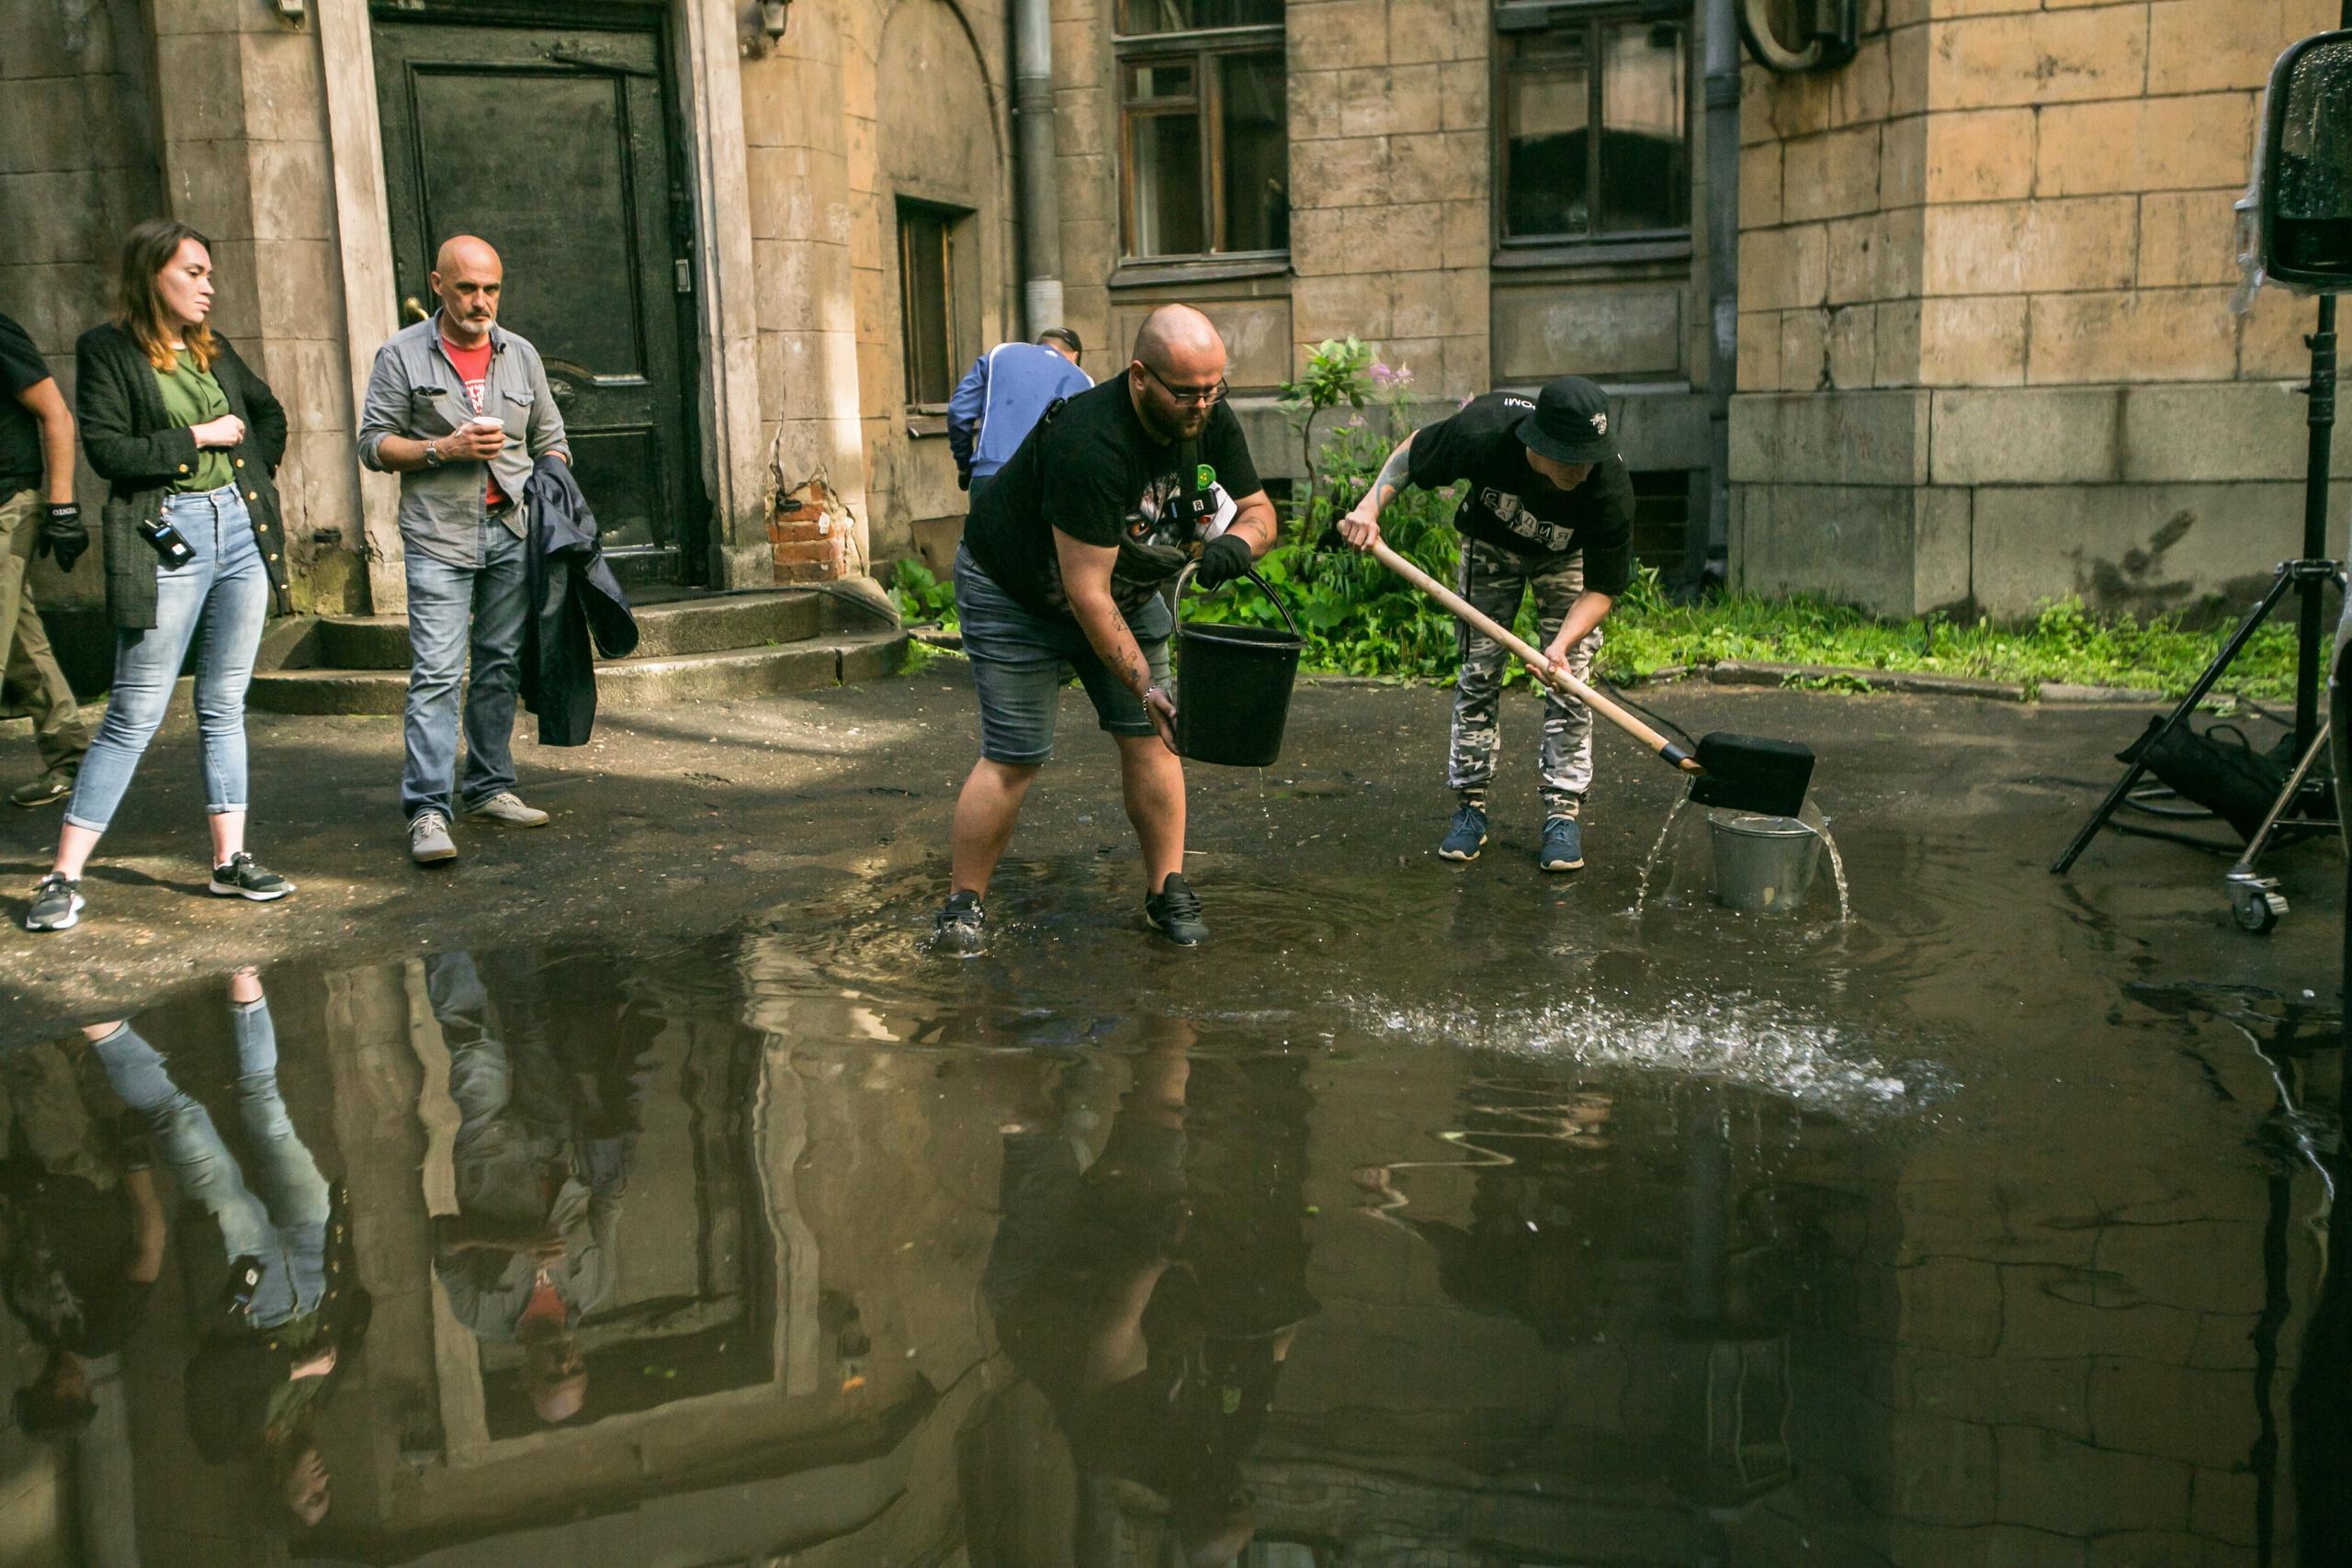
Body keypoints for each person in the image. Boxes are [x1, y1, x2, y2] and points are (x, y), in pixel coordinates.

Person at [939, 305, 1278, 953]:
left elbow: (1260, 511)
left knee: (1156, 741)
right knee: (1016, 752)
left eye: (1214, 389)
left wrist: (1240, 542)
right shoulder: (1090, 441)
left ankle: (1167, 889)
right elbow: (1085, 594)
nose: (1201, 406)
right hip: (1016, 587)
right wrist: (1144, 687)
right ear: (1141, 376)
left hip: (1119, 583)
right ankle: (963, 904)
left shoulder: (1208, 419)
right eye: (1187, 392)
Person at [24, 221, 296, 933]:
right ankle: (62, 875)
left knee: (223, 702)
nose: (209, 286)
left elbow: (268, 416)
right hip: (164, 531)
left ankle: (230, 860)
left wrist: (249, 477)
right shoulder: (107, 350)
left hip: (239, 532)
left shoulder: (215, 348)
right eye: (195, 272)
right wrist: (198, 440)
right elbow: (110, 451)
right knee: (134, 712)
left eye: (210, 273)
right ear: (154, 276)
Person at [84, 967, 367, 1533]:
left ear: (276, 1495)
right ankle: (245, 976)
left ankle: (95, 1022)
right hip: (314, 1268)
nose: (322, 1483)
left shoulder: (226, 1442)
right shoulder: (317, 1407)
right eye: (327, 1492)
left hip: (248, 1287)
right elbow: (360, 1309)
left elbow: (209, 1375)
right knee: (268, 1110)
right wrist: (338, 1336)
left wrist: (295, 1363)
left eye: (312, 1498)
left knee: (181, 1121)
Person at [1338, 376, 1634, 872]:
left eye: (1589, 458)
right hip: (1489, 549)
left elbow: (1600, 589)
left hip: (1567, 563)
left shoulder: (1608, 487)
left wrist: (1560, 645)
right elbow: (1414, 453)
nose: (1580, 471)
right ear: (1537, 443)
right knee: (1478, 675)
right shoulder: (1485, 432)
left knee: (1571, 683)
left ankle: (1563, 812)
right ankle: (1469, 808)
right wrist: (1369, 506)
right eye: (1569, 458)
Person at [358, 235, 571, 867]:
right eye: (467, 289)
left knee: (500, 663)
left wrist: (551, 492)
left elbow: (552, 437)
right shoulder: (400, 355)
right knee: (437, 676)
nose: (481, 302)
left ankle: (488, 786)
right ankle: (427, 809)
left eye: (491, 289)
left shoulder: (520, 354)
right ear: (438, 285)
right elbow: (373, 445)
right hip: (438, 537)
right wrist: (441, 450)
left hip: (510, 531)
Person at [423, 949, 649, 1425]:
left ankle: (443, 937)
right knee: (528, 1027)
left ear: (523, 1378)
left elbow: (441, 1237)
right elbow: (607, 1204)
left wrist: (513, 1242)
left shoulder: (478, 1314)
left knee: (475, 1046)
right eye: (577, 1367)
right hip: (555, 1141)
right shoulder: (593, 1287)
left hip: (491, 1149)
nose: (566, 1360)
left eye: (554, 1374)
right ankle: (507, 923)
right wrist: (604, 1143)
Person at [0, 1042, 164, 1441]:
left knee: (37, 1075)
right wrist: (137, 1165)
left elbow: (7, 1245)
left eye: (49, 1394)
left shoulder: (26, 1314)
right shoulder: (106, 1334)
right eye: (70, 1397)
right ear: (87, 1392)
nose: (61, 1386)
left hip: (28, 1177)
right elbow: (150, 1245)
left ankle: (62, 1042)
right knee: (30, 1059)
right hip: (81, 1176)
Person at [0, 310, 94, 810]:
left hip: (5, 508)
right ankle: (70, 759)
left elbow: (56, 414)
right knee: (20, 642)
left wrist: (61, 508)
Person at [946, 327, 1091, 504]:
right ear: (1074, 357)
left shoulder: (1000, 353)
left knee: (982, 532)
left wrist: (964, 464)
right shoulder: (1084, 381)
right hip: (1043, 485)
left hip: (990, 475)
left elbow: (959, 412)